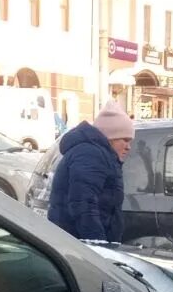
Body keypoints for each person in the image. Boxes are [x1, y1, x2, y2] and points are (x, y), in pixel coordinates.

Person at [46, 101, 133, 242]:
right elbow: (83, 205)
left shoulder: (99, 154)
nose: (128, 147)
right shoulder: (91, 155)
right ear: (110, 137)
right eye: (125, 140)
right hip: (80, 246)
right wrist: (99, 246)